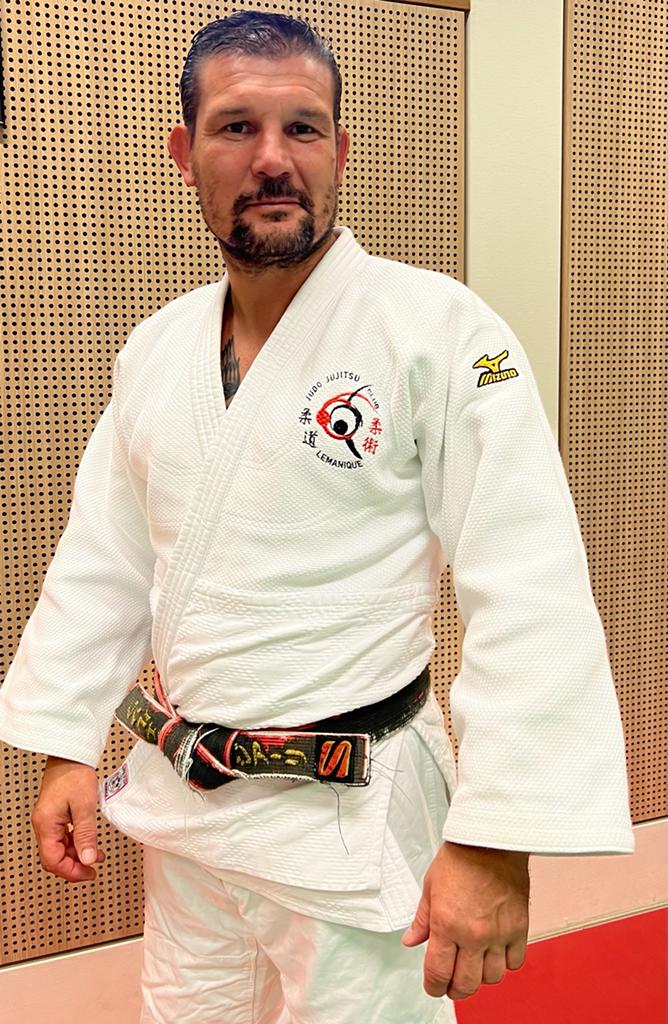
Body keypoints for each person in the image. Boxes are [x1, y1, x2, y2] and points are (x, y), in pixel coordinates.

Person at [0, 11, 634, 1024]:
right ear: (185, 154)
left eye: (301, 127)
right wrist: (67, 740)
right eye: (235, 127)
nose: (271, 158)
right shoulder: (155, 351)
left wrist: (492, 835)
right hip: (190, 816)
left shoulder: (437, 330)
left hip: (352, 819)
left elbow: (528, 579)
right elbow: (104, 561)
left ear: (339, 149)